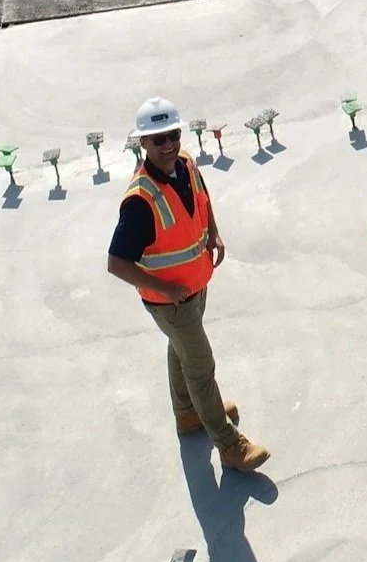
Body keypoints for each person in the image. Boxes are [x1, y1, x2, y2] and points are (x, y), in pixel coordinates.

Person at [107, 96, 269, 472]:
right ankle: (230, 446)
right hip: (171, 301)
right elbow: (117, 263)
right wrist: (165, 291)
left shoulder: (186, 164)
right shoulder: (140, 201)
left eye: (173, 135)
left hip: (195, 286)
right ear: (143, 143)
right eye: (158, 139)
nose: (168, 145)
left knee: (180, 350)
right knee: (201, 365)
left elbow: (201, 197)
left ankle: (188, 415)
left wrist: (214, 231)